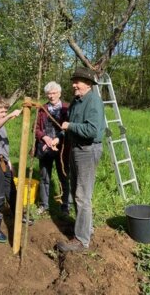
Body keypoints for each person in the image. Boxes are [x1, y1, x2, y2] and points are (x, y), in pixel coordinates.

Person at [56, 67, 105, 252]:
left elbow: (91, 130)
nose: (74, 84)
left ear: (89, 84)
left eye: (77, 81)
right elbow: (68, 126)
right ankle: (85, 228)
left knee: (82, 195)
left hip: (87, 150)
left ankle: (81, 240)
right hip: (76, 149)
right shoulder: (77, 102)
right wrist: (58, 137)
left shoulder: (93, 102)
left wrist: (70, 126)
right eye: (74, 80)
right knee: (77, 192)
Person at [0, 95, 33, 244]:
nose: (4, 114)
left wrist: (9, 161)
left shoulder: (2, 124)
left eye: (6, 112)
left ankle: (18, 215)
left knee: (12, 190)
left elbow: (3, 147)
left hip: (4, 162)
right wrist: (11, 116)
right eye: (1, 112)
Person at [35, 81, 70, 216]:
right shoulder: (42, 109)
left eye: (54, 93)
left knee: (64, 177)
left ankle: (66, 205)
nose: (51, 96)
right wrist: (45, 138)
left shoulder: (67, 109)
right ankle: (44, 205)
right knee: (44, 177)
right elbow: (36, 129)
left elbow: (69, 128)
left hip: (62, 150)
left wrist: (57, 140)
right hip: (45, 148)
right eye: (49, 93)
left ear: (59, 93)